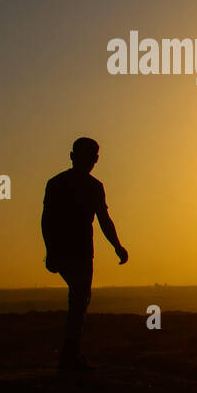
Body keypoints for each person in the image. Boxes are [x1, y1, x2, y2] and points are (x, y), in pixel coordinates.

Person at [41, 137, 128, 370]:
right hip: (73, 252)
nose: (88, 162)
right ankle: (69, 357)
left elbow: (103, 221)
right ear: (73, 156)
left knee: (79, 301)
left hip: (76, 252)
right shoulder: (68, 185)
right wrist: (51, 250)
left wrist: (117, 246)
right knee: (79, 301)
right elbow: (48, 220)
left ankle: (70, 355)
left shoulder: (78, 185)